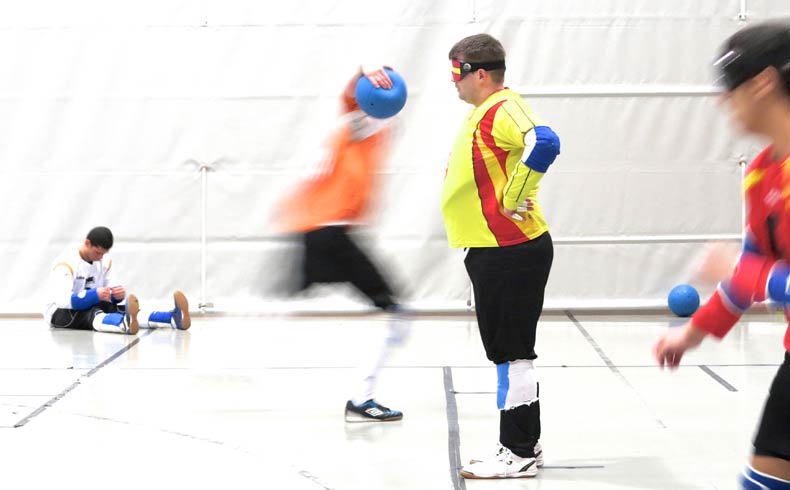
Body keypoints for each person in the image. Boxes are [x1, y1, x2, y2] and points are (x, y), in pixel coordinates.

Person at [653, 20, 790, 490]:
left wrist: (743, 269)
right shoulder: (761, 174)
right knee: (765, 477)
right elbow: (748, 272)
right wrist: (692, 333)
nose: (721, 101)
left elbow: (748, 269)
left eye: (729, 88)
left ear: (764, 83)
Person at [441, 33, 560, 479]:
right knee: (510, 353)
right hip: (494, 250)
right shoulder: (484, 112)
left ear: (480, 73)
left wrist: (516, 195)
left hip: (510, 249)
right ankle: (523, 443)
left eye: (457, 73)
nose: (454, 83)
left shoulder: (504, 107)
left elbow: (544, 143)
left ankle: (518, 451)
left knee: (513, 354)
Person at [274, 66, 411, 423]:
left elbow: (358, 104)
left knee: (283, 299)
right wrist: (364, 73)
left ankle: (234, 332)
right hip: (328, 233)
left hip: (323, 232)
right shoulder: (354, 128)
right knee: (396, 312)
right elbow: (351, 100)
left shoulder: (370, 131)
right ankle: (362, 399)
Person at [44, 226, 191, 335]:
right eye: (98, 252)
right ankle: (123, 324)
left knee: (121, 308)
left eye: (103, 254)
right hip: (60, 311)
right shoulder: (65, 263)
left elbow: (110, 291)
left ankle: (172, 318)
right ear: (88, 243)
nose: (100, 257)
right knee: (93, 313)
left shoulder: (105, 260)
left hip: (91, 302)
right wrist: (95, 295)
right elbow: (62, 300)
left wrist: (116, 295)